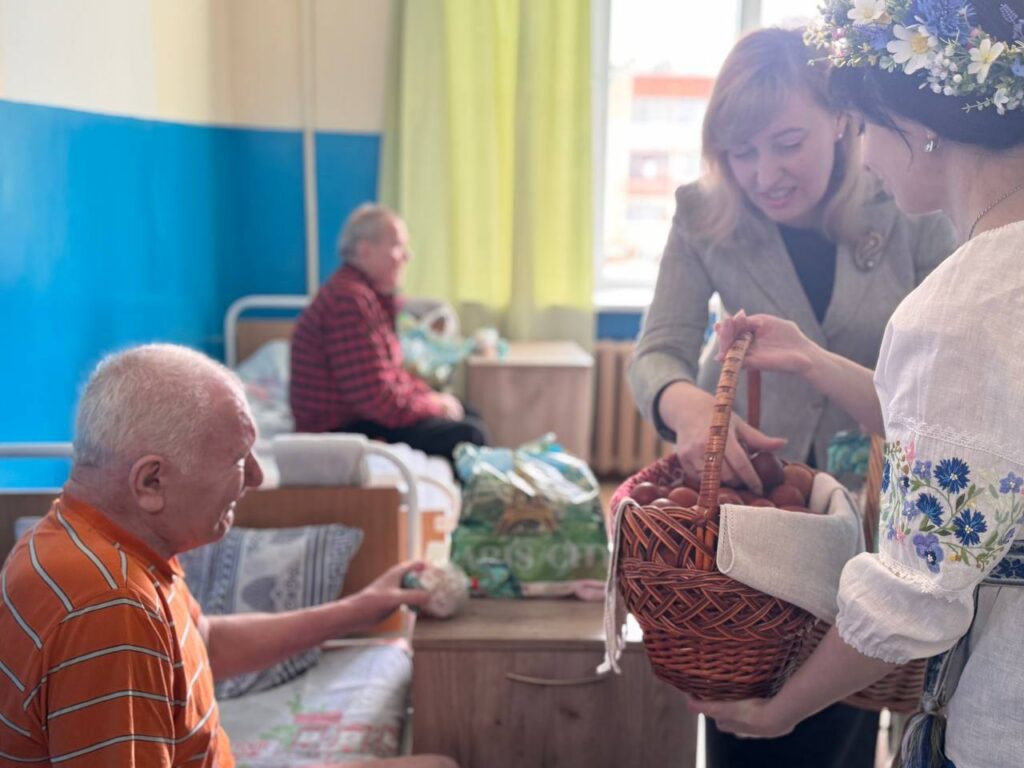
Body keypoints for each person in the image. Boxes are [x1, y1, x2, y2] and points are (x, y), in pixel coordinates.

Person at [693, 4, 1024, 767]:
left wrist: (778, 709)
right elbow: (977, 443)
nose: (866, 155)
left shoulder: (960, 310)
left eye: (866, 127)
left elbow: (913, 596)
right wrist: (813, 359)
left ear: (920, 126)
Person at [626, 26, 956, 768]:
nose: (763, 173)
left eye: (786, 143)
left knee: (845, 711)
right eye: (740, 152)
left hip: (874, 507)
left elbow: (947, 376)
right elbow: (658, 351)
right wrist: (685, 408)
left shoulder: (910, 201)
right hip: (753, 512)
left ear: (841, 119)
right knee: (744, 707)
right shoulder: (702, 213)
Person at [0, 343, 458, 768]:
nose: (256, 476)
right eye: (239, 458)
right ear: (151, 482)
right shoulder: (110, 604)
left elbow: (207, 644)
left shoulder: (89, 537)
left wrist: (361, 609)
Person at [290, 204, 487, 463]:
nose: (407, 256)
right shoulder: (348, 300)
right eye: (398, 246)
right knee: (469, 434)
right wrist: (434, 405)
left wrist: (431, 398)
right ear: (365, 250)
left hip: (362, 416)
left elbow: (391, 376)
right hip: (339, 429)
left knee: (467, 412)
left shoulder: (369, 297)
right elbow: (377, 400)